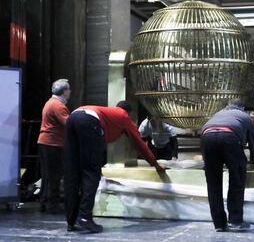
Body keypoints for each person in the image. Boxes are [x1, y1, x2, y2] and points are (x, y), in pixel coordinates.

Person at [64, 101, 166, 233]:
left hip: (73, 116)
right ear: (129, 112)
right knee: (91, 173)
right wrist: (155, 164)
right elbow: (139, 143)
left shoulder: (109, 114)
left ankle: (71, 221)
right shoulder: (124, 116)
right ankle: (84, 218)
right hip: (89, 120)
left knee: (73, 172)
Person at [201, 98, 254, 232]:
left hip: (206, 136)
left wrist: (207, 163)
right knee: (237, 178)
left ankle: (219, 224)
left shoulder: (218, 113)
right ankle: (235, 220)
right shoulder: (244, 117)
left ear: (228, 106)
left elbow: (206, 132)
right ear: (243, 108)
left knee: (213, 183)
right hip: (229, 137)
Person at [37, 79, 71, 214]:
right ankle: (53, 205)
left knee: (47, 175)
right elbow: (68, 124)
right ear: (64, 91)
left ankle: (44, 202)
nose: (70, 91)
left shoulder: (50, 102)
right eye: (68, 89)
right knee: (55, 175)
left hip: (45, 142)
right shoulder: (58, 106)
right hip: (53, 143)